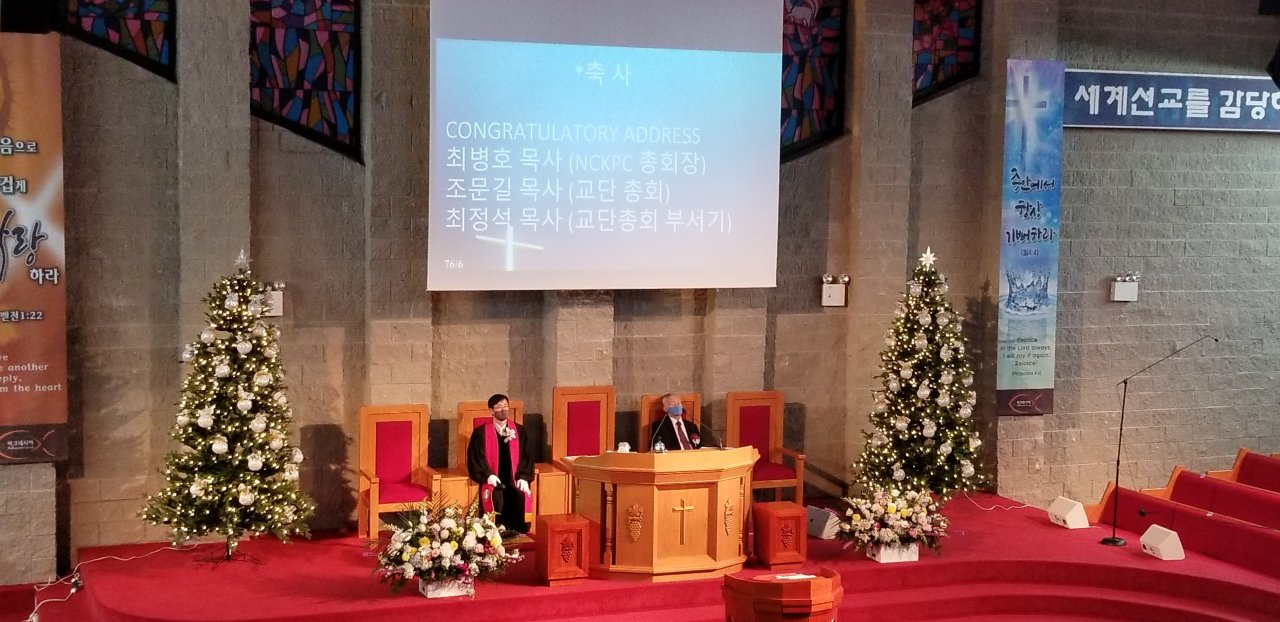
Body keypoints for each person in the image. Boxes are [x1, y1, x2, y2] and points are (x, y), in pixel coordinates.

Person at [466, 393, 535, 534]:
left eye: (505, 406)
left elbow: (526, 456)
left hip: (514, 478)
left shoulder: (519, 431)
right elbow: (476, 458)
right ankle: (494, 535)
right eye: (498, 407)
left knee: (519, 495)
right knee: (496, 497)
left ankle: (518, 534)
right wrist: (488, 476)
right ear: (491, 411)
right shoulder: (480, 433)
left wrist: (523, 477)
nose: (503, 410)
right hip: (494, 480)